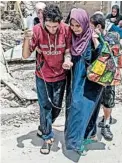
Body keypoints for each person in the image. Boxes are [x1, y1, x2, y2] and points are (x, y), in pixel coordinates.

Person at [22, 4, 72, 154]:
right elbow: (25, 55)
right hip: (42, 75)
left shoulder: (66, 30)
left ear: (60, 22)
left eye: (54, 26)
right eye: (48, 26)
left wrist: (67, 60)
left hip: (60, 75)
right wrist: (26, 39)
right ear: (43, 21)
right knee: (45, 107)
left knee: (56, 107)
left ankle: (44, 126)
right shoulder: (37, 30)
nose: (51, 29)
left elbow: (68, 51)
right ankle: (47, 138)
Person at [65, 8, 103, 155]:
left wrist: (96, 40)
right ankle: (75, 141)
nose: (75, 29)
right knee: (75, 110)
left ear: (85, 23)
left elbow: (102, 56)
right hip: (75, 82)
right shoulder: (71, 38)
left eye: (78, 25)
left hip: (90, 84)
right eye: (72, 25)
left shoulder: (91, 37)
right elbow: (67, 53)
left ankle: (82, 138)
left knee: (85, 110)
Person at [90, 12, 122, 141]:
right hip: (95, 77)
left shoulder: (111, 38)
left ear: (98, 26)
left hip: (109, 77)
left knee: (108, 102)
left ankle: (106, 124)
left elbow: (112, 55)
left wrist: (96, 41)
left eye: (91, 26)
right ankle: (92, 126)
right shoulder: (90, 38)